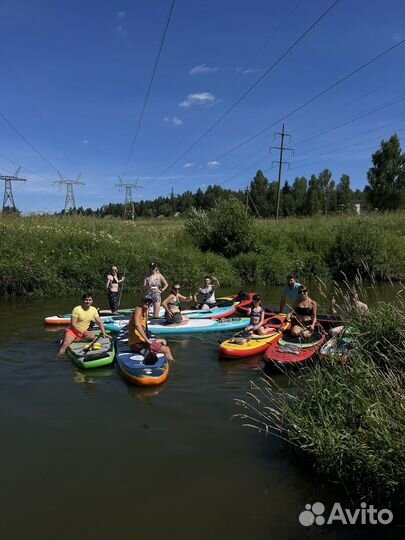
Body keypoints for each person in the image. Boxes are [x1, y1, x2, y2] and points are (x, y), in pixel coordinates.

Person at [128, 296, 174, 361]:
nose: (147, 303)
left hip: (142, 342)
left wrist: (152, 341)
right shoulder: (138, 309)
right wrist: (147, 340)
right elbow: (137, 325)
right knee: (166, 349)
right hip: (136, 344)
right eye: (145, 301)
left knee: (163, 341)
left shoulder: (145, 312)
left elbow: (144, 330)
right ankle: (172, 363)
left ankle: (149, 351)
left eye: (149, 302)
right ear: (141, 302)